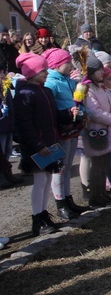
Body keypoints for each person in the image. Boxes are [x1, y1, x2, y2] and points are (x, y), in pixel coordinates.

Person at [14, 52, 75, 236]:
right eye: (43, 71)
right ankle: (37, 219)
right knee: (40, 181)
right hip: (37, 146)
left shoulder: (45, 91)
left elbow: (54, 116)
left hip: (50, 142)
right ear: (31, 72)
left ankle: (44, 214)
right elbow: (24, 126)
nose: (46, 73)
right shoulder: (24, 94)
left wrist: (68, 113)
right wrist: (38, 144)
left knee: (48, 180)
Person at [43, 47, 89, 219]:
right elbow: (51, 110)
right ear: (56, 65)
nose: (71, 65)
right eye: (67, 62)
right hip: (61, 130)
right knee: (59, 168)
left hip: (72, 127)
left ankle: (69, 200)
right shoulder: (51, 83)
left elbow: (77, 99)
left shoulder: (68, 80)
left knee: (68, 166)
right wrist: (68, 113)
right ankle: (60, 203)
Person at [80, 56, 111, 207]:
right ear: (92, 72)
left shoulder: (99, 88)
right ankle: (95, 196)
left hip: (107, 130)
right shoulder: (87, 89)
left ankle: (102, 194)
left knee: (105, 162)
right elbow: (96, 113)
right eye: (99, 70)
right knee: (98, 165)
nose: (102, 72)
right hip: (97, 132)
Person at [0, 54, 21, 188]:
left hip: (7, 124)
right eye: (1, 72)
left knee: (7, 149)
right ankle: (1, 175)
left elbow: (10, 105)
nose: (4, 75)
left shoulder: (5, 87)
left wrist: (13, 122)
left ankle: (7, 172)